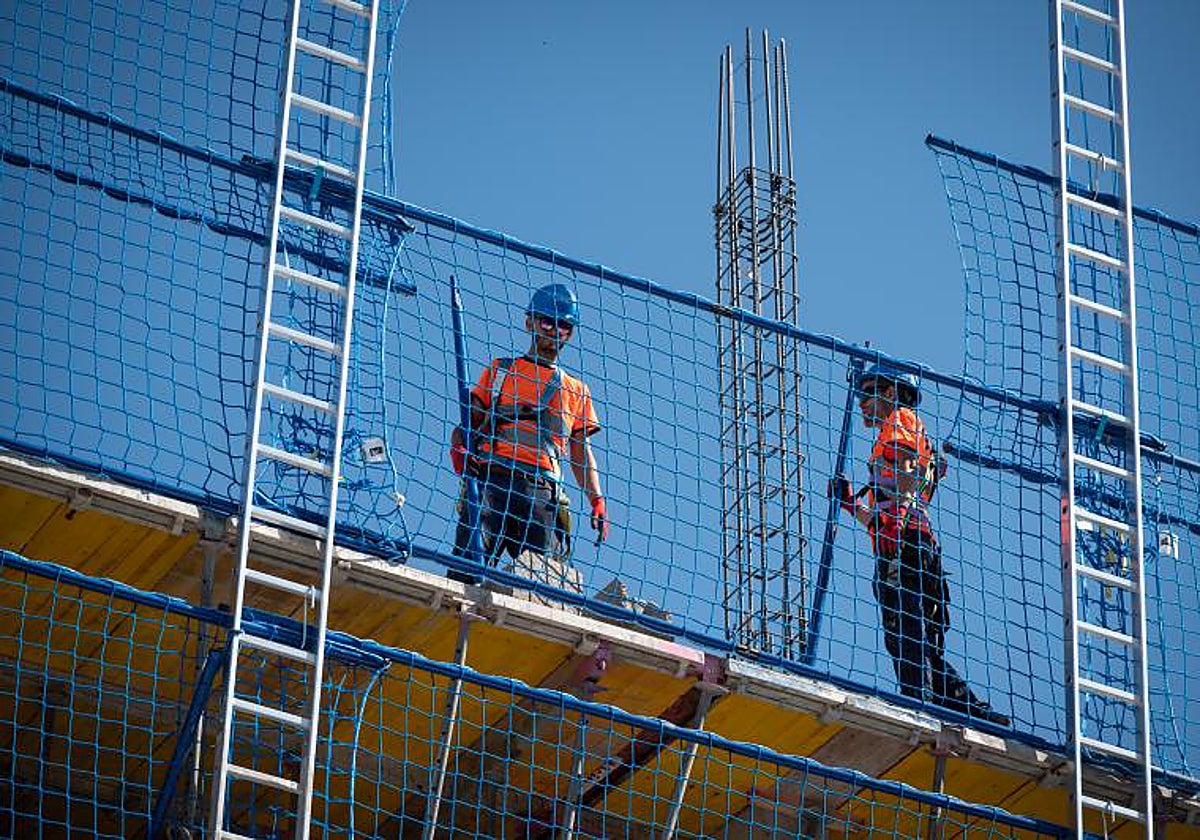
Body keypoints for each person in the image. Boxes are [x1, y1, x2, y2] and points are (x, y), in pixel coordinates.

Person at [833, 362, 1008, 726]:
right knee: (916, 639)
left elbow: (906, 480)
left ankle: (920, 707)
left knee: (906, 633)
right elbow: (891, 506)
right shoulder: (899, 434)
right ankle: (968, 708)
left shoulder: (901, 420)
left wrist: (899, 481)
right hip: (907, 544)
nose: (863, 403)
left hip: (906, 547)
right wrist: (852, 504)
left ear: (891, 392)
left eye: (869, 392)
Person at [448, 283, 609, 585]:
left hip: (541, 492)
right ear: (530, 322)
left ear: (569, 333)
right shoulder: (500, 371)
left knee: (543, 586)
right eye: (547, 322)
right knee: (465, 573)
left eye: (563, 326)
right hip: (491, 481)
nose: (554, 331)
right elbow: (469, 422)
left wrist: (596, 499)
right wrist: (458, 448)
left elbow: (579, 451)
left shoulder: (575, 390)